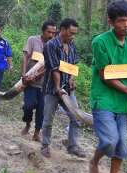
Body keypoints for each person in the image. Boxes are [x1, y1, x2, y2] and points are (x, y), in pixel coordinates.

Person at [89, 1, 127, 173]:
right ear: (110, 22)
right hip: (103, 99)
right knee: (109, 141)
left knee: (122, 144)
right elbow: (105, 75)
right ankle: (94, 161)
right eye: (122, 21)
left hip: (123, 103)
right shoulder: (100, 42)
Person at [40, 18, 85, 158]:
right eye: (70, 33)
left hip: (68, 89)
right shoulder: (50, 45)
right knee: (48, 119)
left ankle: (72, 146)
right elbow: (55, 69)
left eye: (74, 34)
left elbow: (73, 65)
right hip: (52, 89)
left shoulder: (72, 45)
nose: (72, 36)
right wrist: (58, 88)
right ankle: (45, 146)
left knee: (76, 118)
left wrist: (72, 79)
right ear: (63, 29)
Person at [20, 20, 56, 141]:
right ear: (43, 31)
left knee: (42, 109)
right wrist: (24, 74)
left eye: (53, 32)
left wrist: (39, 74)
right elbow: (25, 57)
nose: (51, 35)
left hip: (45, 85)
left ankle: (36, 132)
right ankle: (27, 124)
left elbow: (52, 65)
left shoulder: (55, 45)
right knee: (28, 106)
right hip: (30, 82)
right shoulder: (32, 40)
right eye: (48, 32)